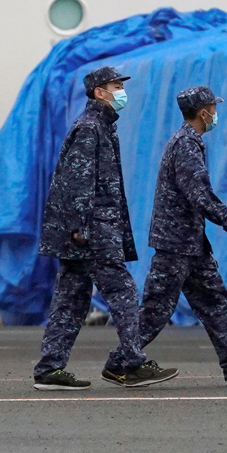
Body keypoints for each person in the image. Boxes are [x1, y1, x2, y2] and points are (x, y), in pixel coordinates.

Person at [33, 66, 176, 391]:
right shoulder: (90, 128)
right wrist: (81, 227)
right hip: (93, 232)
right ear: (99, 92)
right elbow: (78, 181)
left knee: (72, 299)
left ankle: (50, 368)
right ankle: (130, 363)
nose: (121, 92)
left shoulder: (100, 126)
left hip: (87, 231)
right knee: (122, 292)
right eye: (115, 86)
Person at [137, 85, 227, 385]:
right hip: (176, 243)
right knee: (156, 310)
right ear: (203, 112)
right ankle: (122, 360)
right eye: (214, 108)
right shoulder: (185, 144)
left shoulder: (189, 142)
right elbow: (199, 193)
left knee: (214, 302)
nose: (216, 114)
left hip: (190, 243)